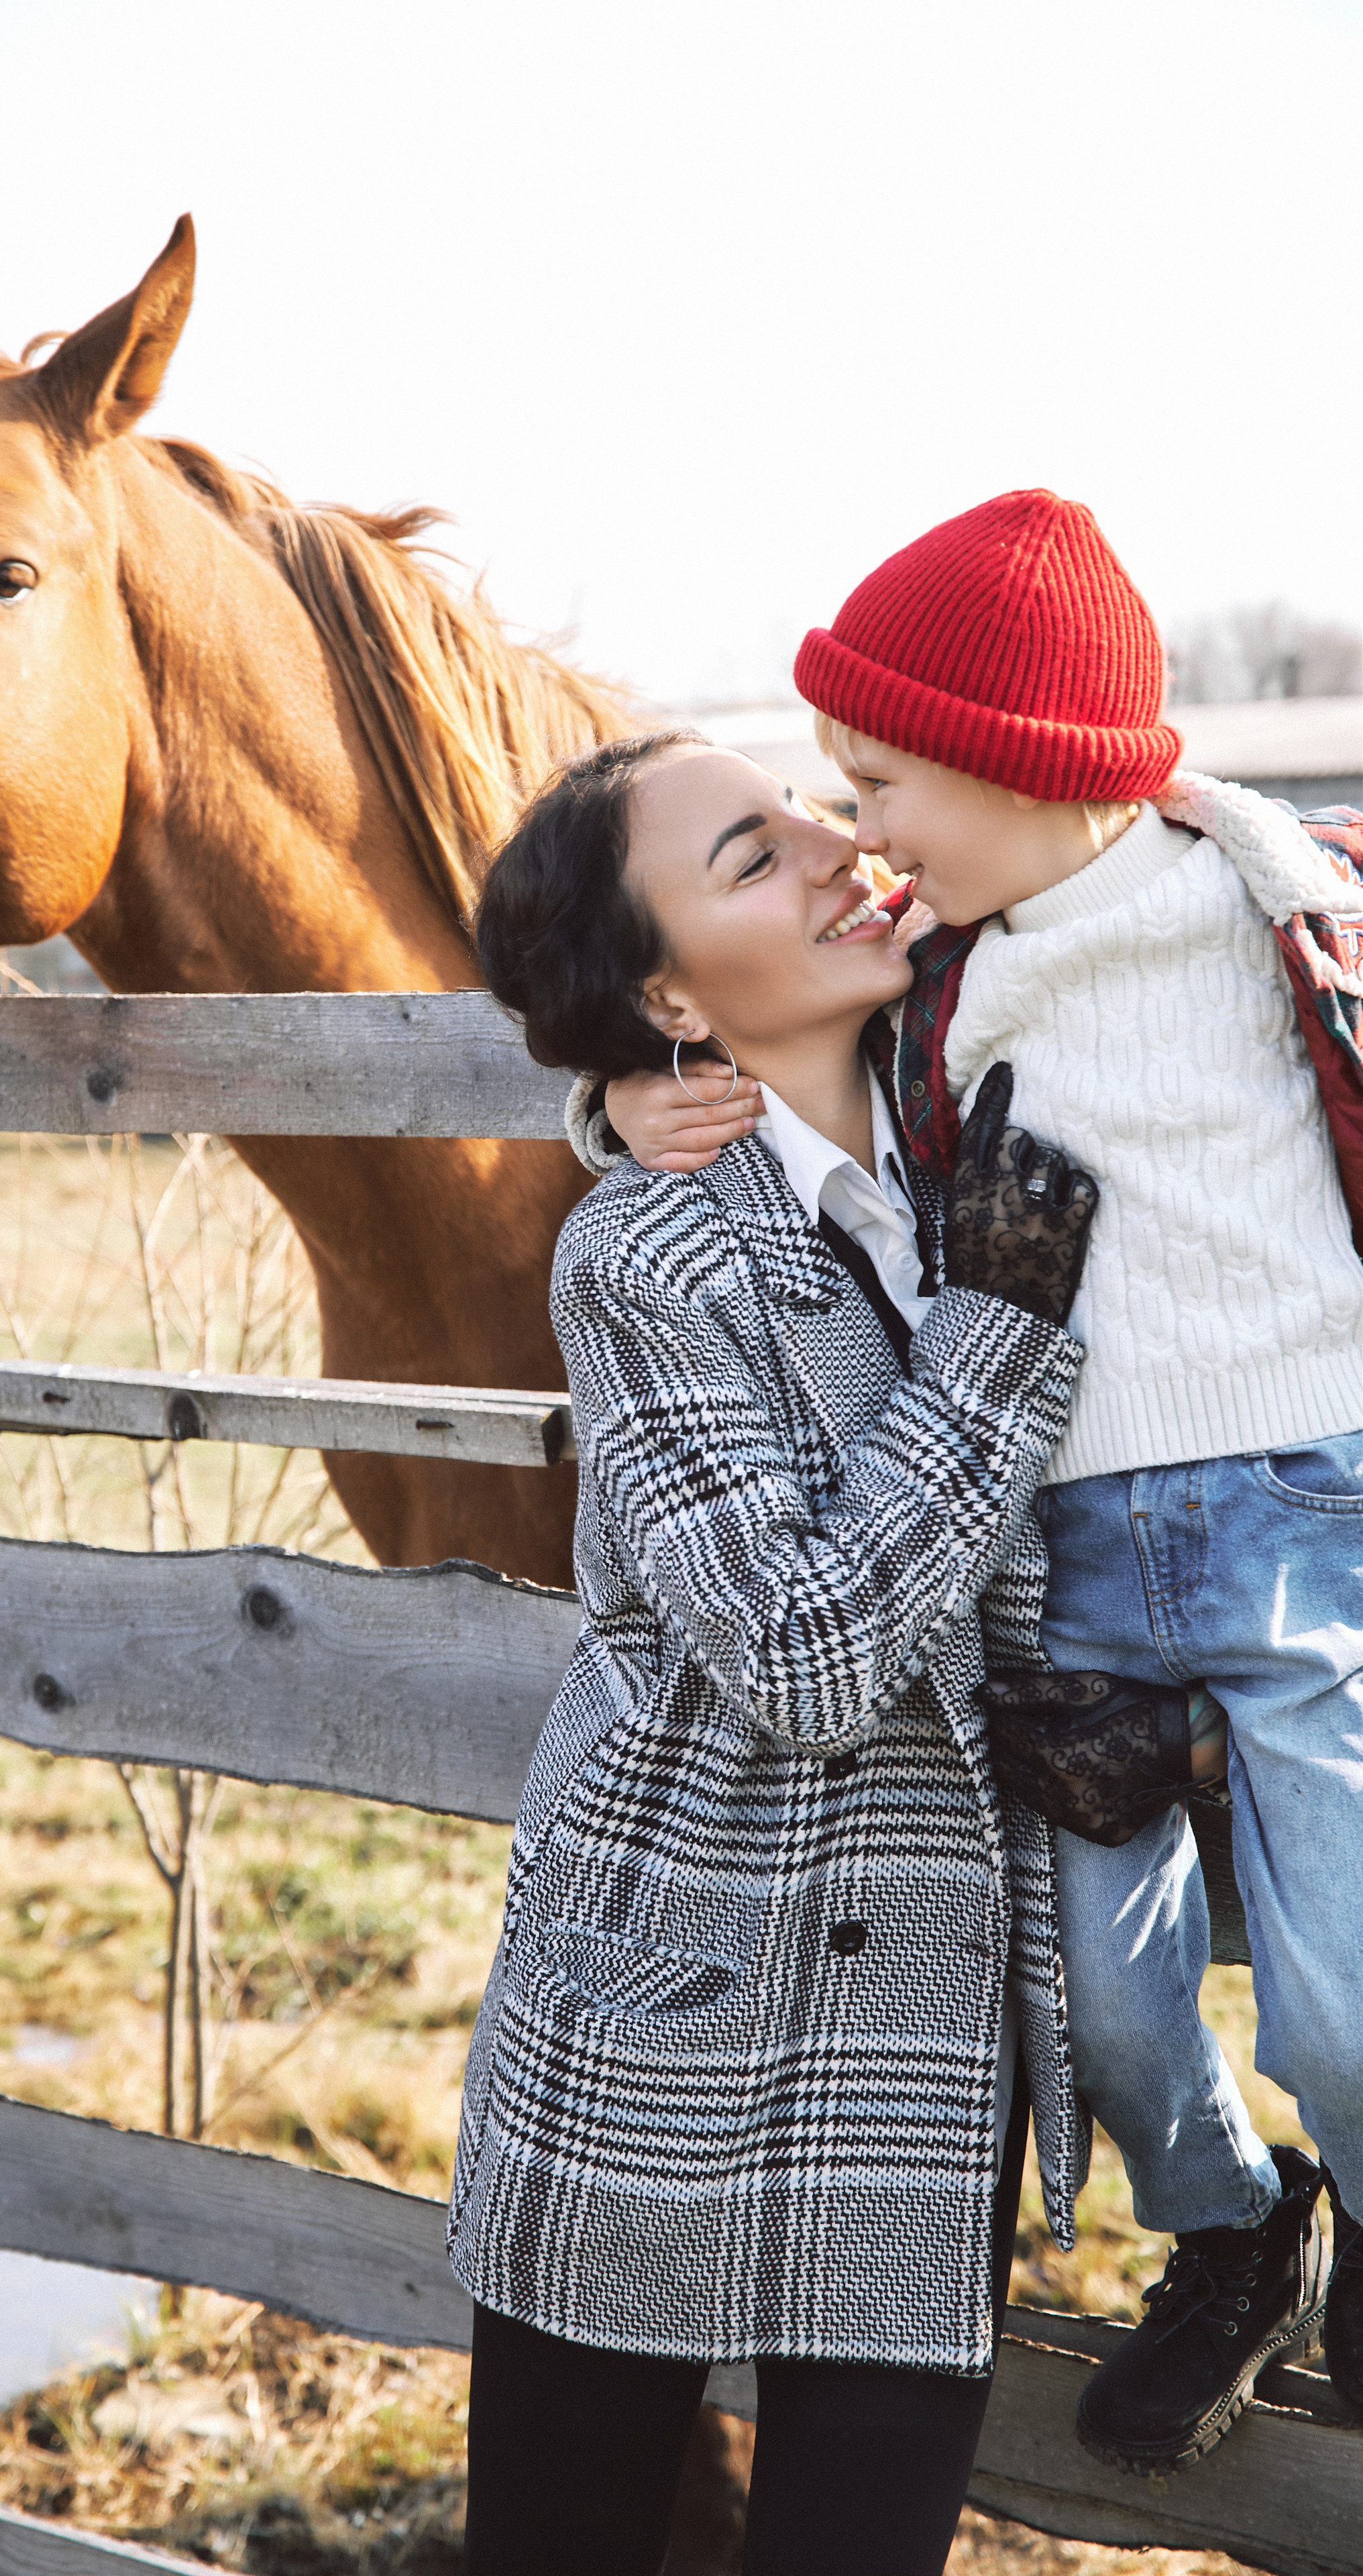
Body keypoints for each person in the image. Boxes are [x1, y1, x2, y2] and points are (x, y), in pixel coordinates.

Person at [591, 488, 1362, 2472]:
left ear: (1020, 760)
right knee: (1097, 2009)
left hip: (1304, 1513)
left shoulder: (1278, 899)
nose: (857, 832)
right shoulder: (938, 963)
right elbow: (754, 1037)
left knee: (1344, 1999)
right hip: (1069, 1552)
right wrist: (622, 1091)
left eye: (877, 781)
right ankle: (1234, 2229)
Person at [455, 726, 1103, 2575]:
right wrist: (993, 1339)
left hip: (920, 2028)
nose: (832, 848)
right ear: (669, 995)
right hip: (654, 2000)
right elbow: (804, 1657)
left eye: (815, 811)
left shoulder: (989, 1103)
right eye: (753, 855)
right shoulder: (645, 1255)